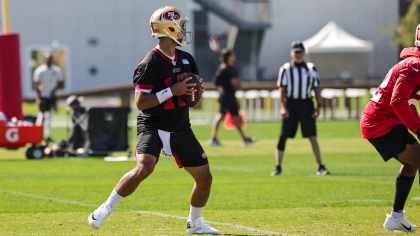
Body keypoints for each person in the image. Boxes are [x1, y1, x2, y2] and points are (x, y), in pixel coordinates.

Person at [88, 6, 220, 235]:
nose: (183, 30)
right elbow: (140, 102)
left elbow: (192, 102)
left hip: (180, 126)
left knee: (205, 177)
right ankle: (106, 207)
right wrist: (172, 90)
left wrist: (196, 93)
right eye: (181, 25)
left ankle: (195, 223)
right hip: (153, 124)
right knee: (144, 166)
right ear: (169, 28)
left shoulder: (187, 60)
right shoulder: (149, 62)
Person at [359, 25, 420, 233]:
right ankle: (396, 216)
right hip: (380, 122)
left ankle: (396, 217)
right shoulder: (414, 66)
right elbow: (398, 101)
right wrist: (418, 129)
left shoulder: (415, 65)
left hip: (385, 121)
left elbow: (409, 101)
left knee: (412, 164)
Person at [271, 41, 329, 176]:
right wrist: (282, 107)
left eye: (300, 52)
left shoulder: (311, 68)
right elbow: (282, 90)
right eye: (296, 52)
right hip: (291, 104)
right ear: (291, 53)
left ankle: (320, 166)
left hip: (306, 104)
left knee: (312, 136)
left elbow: (316, 88)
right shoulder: (285, 69)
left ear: (304, 53)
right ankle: (278, 166)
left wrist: (318, 105)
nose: (298, 55)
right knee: (283, 136)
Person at [208, 48, 257, 147]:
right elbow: (216, 82)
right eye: (232, 54)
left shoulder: (231, 68)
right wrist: (230, 82)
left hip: (230, 95)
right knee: (234, 116)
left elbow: (236, 82)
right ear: (228, 56)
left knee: (224, 116)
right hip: (226, 96)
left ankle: (214, 138)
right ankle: (244, 139)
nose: (234, 55)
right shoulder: (224, 68)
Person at [33, 52, 64, 143]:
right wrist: (38, 98)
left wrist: (54, 91)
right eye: (47, 59)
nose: (48, 60)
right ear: (44, 59)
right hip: (43, 96)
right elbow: (37, 84)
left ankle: (48, 135)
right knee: (41, 116)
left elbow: (61, 83)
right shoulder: (40, 70)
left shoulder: (56, 70)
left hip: (52, 96)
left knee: (49, 116)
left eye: (50, 58)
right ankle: (37, 135)